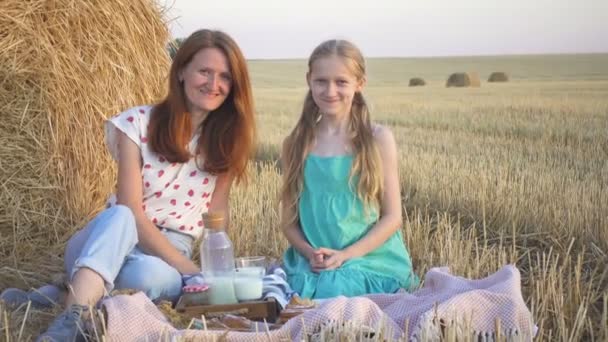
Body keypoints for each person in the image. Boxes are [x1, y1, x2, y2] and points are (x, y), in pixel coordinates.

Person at [1, 29, 255, 341]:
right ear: (181, 72)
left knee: (147, 278)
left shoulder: (226, 143)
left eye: (225, 77)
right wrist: (190, 271)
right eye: (204, 71)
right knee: (122, 217)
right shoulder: (136, 123)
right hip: (111, 235)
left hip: (168, 251)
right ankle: (70, 322)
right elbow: (131, 211)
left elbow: (217, 213)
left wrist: (218, 274)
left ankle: (68, 291)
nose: (214, 85)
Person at [280, 39, 418, 299]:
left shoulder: (378, 139)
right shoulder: (295, 144)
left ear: (359, 84)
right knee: (285, 294)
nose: (330, 90)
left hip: (369, 258)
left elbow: (393, 218)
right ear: (309, 80)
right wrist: (311, 254)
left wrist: (346, 256)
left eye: (341, 82)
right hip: (312, 262)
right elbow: (288, 223)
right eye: (321, 81)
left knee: (335, 292)